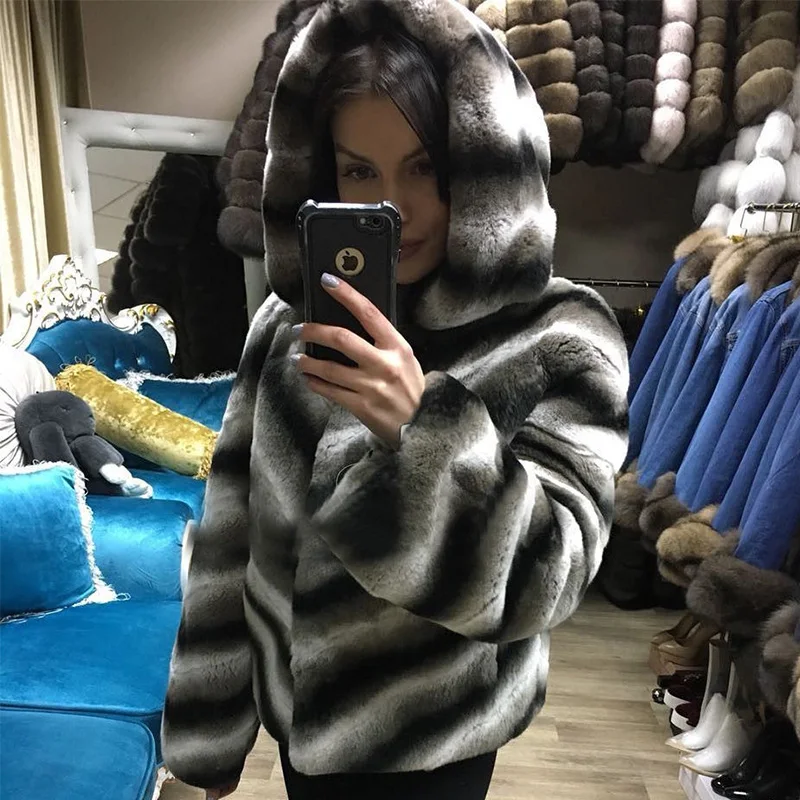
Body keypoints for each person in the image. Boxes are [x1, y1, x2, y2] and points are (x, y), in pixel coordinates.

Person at [162, 0, 629, 798]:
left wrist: (423, 430)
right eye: (359, 172)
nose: (394, 208)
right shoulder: (288, 323)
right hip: (298, 731)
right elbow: (233, 529)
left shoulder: (560, 335)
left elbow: (552, 577)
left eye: (424, 168)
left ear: (477, 162)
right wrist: (212, 731)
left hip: (434, 742)